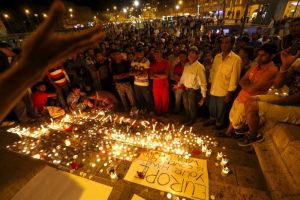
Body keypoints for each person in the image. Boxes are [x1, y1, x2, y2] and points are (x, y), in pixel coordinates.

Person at [0, 1, 105, 121]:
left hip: (63, 83)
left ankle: (34, 116)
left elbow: (64, 71)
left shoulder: (59, 63)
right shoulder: (42, 66)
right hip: (55, 85)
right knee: (60, 97)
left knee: (63, 96)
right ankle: (63, 111)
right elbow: (48, 76)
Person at [239, 49, 300, 146]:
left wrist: (275, 102)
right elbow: (277, 85)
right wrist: (285, 66)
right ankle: (250, 125)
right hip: (290, 99)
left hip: (297, 108)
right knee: (250, 99)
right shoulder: (297, 65)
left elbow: (297, 98)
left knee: (255, 106)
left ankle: (254, 136)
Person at [216, 43, 278, 138]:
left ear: (272, 56)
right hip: (242, 95)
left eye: (263, 55)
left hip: (250, 100)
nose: (259, 57)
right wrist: (248, 86)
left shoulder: (272, 71)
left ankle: (244, 133)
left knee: (237, 120)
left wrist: (248, 84)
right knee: (233, 116)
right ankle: (228, 132)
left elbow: (252, 88)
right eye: (259, 54)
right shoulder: (256, 66)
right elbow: (242, 80)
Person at [204, 36, 242, 129]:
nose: (224, 45)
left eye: (227, 43)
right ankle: (212, 119)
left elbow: (235, 77)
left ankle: (219, 124)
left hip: (224, 89)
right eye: (222, 43)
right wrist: (209, 85)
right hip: (214, 87)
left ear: (232, 44)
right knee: (212, 106)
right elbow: (213, 72)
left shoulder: (236, 59)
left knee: (222, 109)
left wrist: (230, 93)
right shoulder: (217, 57)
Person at [175, 46, 207, 126]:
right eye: (189, 53)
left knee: (192, 107)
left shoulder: (199, 67)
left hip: (193, 91)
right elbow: (183, 77)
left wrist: (203, 97)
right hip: (185, 89)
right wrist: (179, 85)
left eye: (193, 53)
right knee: (186, 105)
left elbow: (203, 82)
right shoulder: (187, 65)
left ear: (197, 55)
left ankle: (192, 120)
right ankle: (188, 118)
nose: (190, 55)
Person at [130, 47, 154, 114]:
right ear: (136, 54)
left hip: (144, 83)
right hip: (136, 83)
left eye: (141, 53)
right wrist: (139, 73)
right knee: (139, 98)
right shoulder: (133, 61)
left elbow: (145, 74)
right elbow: (131, 72)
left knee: (148, 98)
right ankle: (142, 109)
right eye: (138, 53)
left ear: (143, 54)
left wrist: (136, 73)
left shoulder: (146, 61)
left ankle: (151, 110)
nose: (140, 54)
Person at [150, 49, 169, 115]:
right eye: (155, 55)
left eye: (158, 54)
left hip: (164, 84)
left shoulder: (166, 62)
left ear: (161, 54)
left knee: (165, 100)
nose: (157, 56)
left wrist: (156, 75)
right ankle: (158, 112)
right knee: (156, 99)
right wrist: (160, 75)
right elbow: (151, 77)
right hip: (155, 85)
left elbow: (165, 75)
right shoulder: (152, 64)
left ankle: (165, 112)